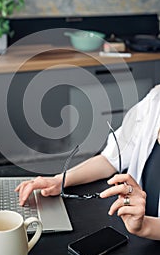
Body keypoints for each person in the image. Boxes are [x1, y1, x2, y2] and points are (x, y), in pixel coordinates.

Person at [15, 85, 160, 240]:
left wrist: (144, 226)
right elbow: (109, 160)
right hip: (136, 233)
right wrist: (59, 180)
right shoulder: (155, 100)